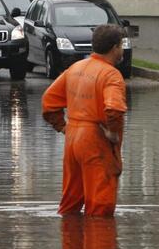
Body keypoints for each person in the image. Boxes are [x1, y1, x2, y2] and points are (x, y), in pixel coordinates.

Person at [42, 24, 128, 217]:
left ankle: (71, 243)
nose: (122, 49)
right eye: (121, 45)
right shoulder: (111, 75)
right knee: (100, 208)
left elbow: (49, 101)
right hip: (96, 141)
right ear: (115, 47)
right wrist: (113, 133)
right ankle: (100, 245)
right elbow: (114, 108)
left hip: (73, 138)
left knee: (70, 204)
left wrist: (63, 127)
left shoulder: (76, 68)